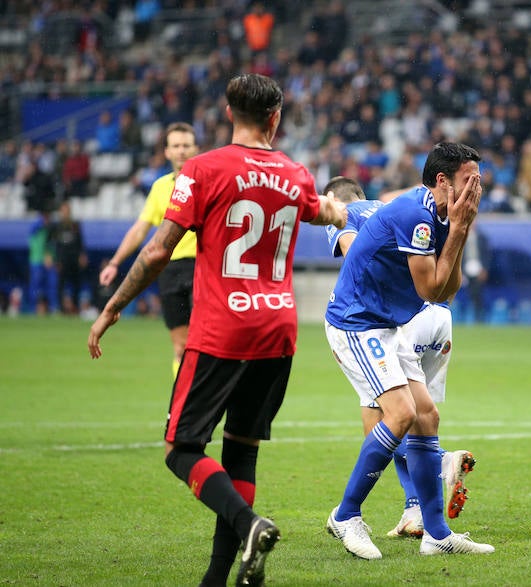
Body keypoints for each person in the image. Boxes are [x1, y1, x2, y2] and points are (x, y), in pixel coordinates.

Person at [88, 73, 348, 587]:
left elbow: (160, 248)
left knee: (180, 450)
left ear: (229, 114)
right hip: (278, 330)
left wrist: (114, 306)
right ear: (275, 118)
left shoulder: (202, 169)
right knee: (242, 452)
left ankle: (250, 525)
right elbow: (317, 209)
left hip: (221, 330)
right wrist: (337, 210)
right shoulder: (296, 174)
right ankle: (217, 579)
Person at [323, 142, 493, 560]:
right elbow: (429, 288)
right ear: (442, 181)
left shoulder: (443, 214)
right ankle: (346, 515)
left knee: (426, 415)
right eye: (470, 179)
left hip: (388, 326)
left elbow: (447, 290)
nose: (477, 188)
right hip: (355, 324)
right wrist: (458, 230)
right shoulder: (417, 216)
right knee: (400, 414)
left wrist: (460, 228)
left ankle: (435, 533)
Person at [99, 122, 198, 379]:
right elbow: (139, 231)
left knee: (203, 346)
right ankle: (182, 403)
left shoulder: (206, 183)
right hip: (170, 270)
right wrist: (114, 262)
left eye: (186, 145)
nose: (181, 151)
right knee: (180, 346)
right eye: (176, 146)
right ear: (166, 152)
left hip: (203, 269)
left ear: (196, 148)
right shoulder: (160, 187)